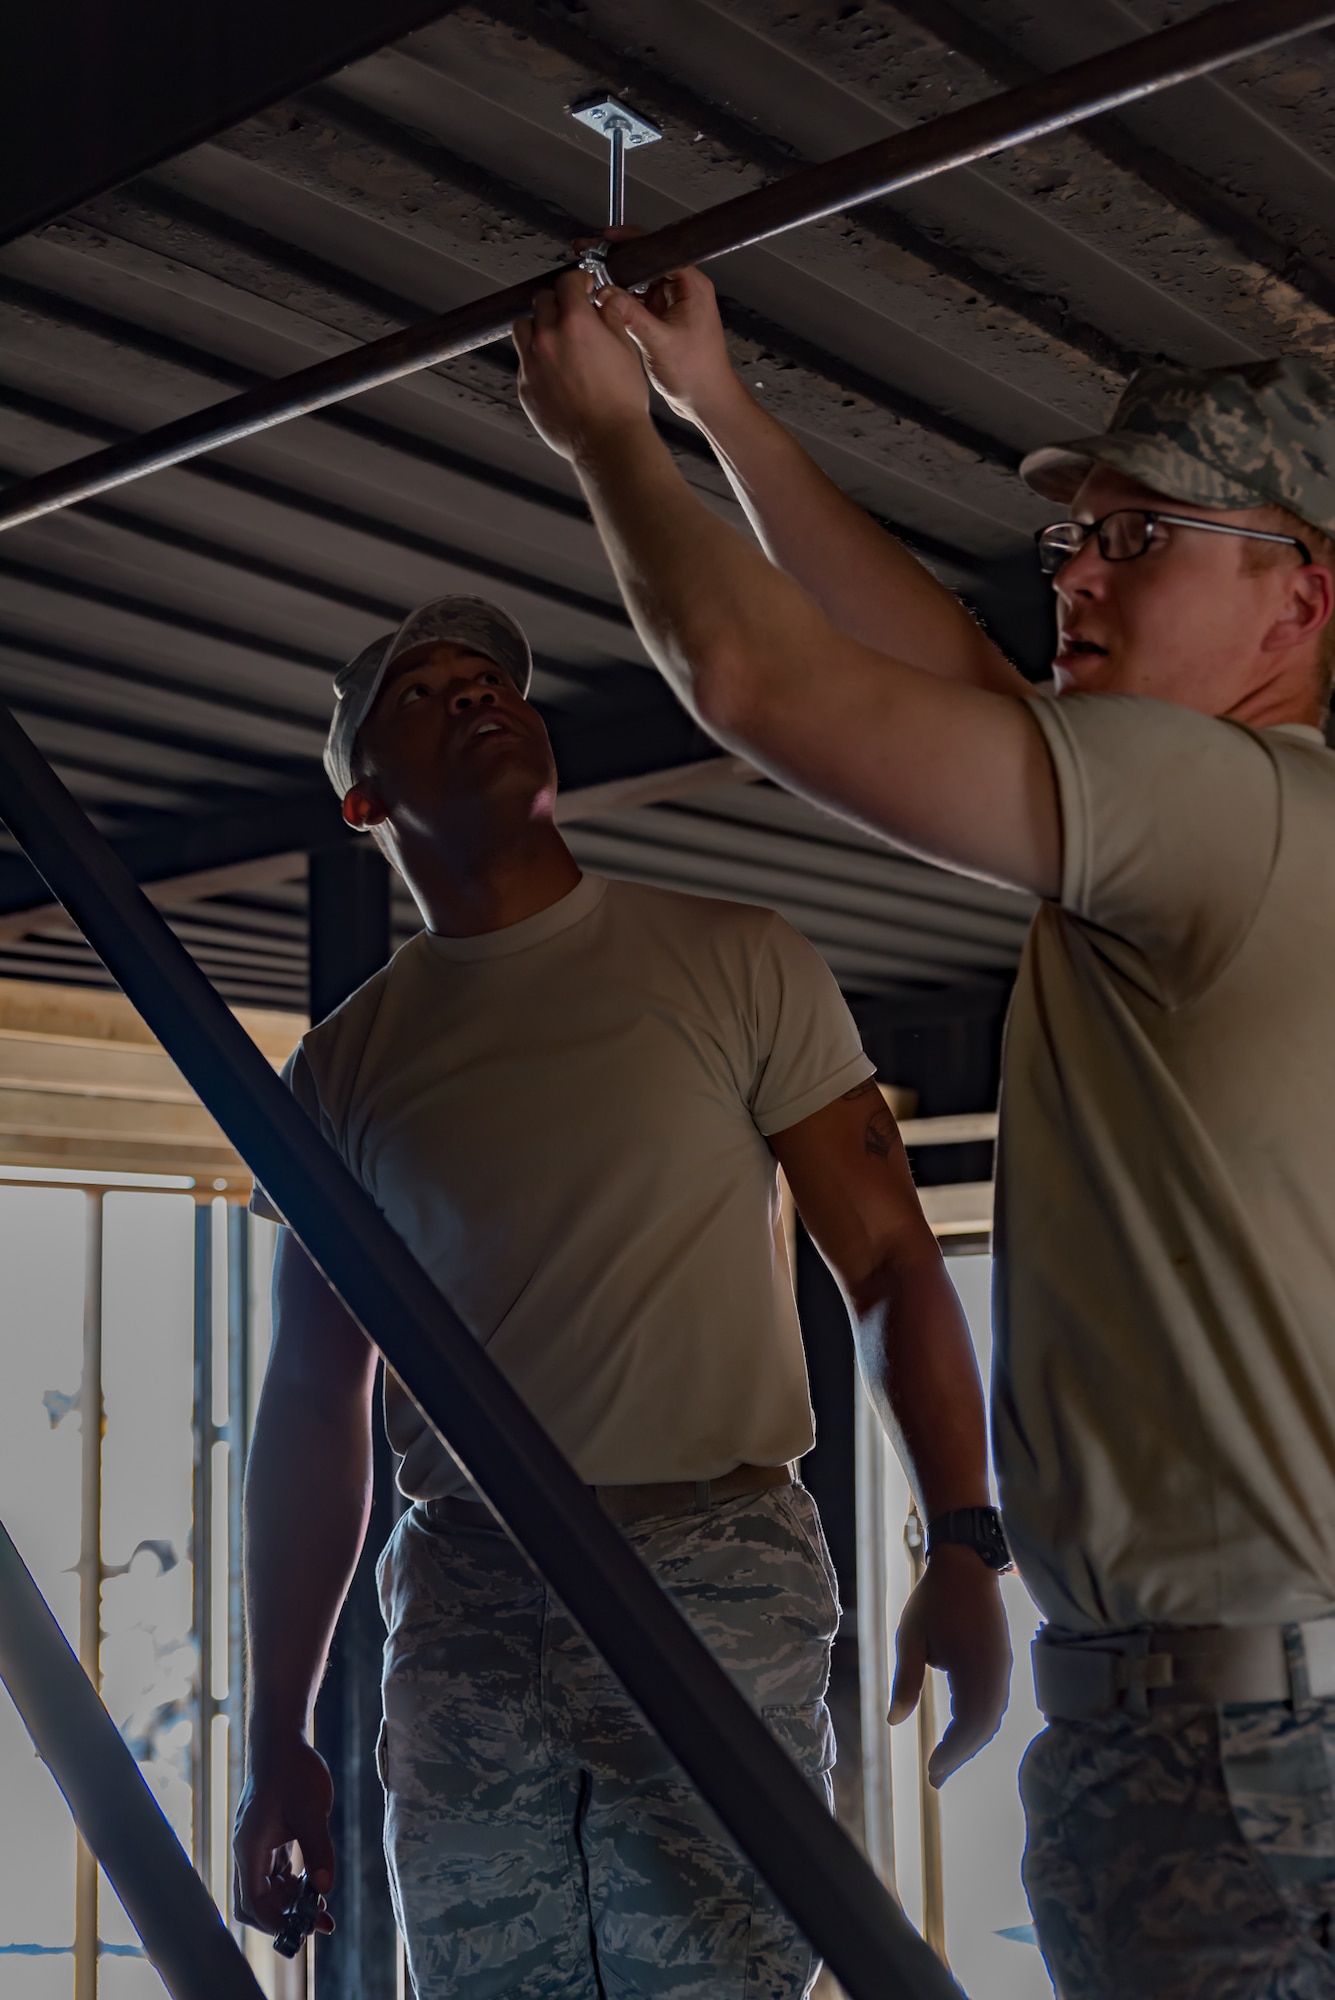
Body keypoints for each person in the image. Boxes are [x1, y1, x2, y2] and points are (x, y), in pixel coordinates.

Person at [512, 262, 1335, 1998]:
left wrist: (606, 444)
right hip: (1230, 1728)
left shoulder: (1225, 809)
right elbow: (942, 664)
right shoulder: (1231, 823)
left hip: (1251, 1761)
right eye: (1074, 542)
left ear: (1298, 598)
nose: (1081, 574)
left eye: (1145, 537)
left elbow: (759, 679)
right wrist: (719, 408)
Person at [231, 592, 1010, 1999]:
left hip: (715, 1567)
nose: (478, 697)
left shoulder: (733, 959)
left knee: (716, 1978)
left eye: (493, 680)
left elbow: (891, 1260)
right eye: (426, 693)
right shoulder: (347, 1069)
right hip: (469, 1589)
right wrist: (275, 1728)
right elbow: (309, 1395)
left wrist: (962, 1537)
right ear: (364, 801)